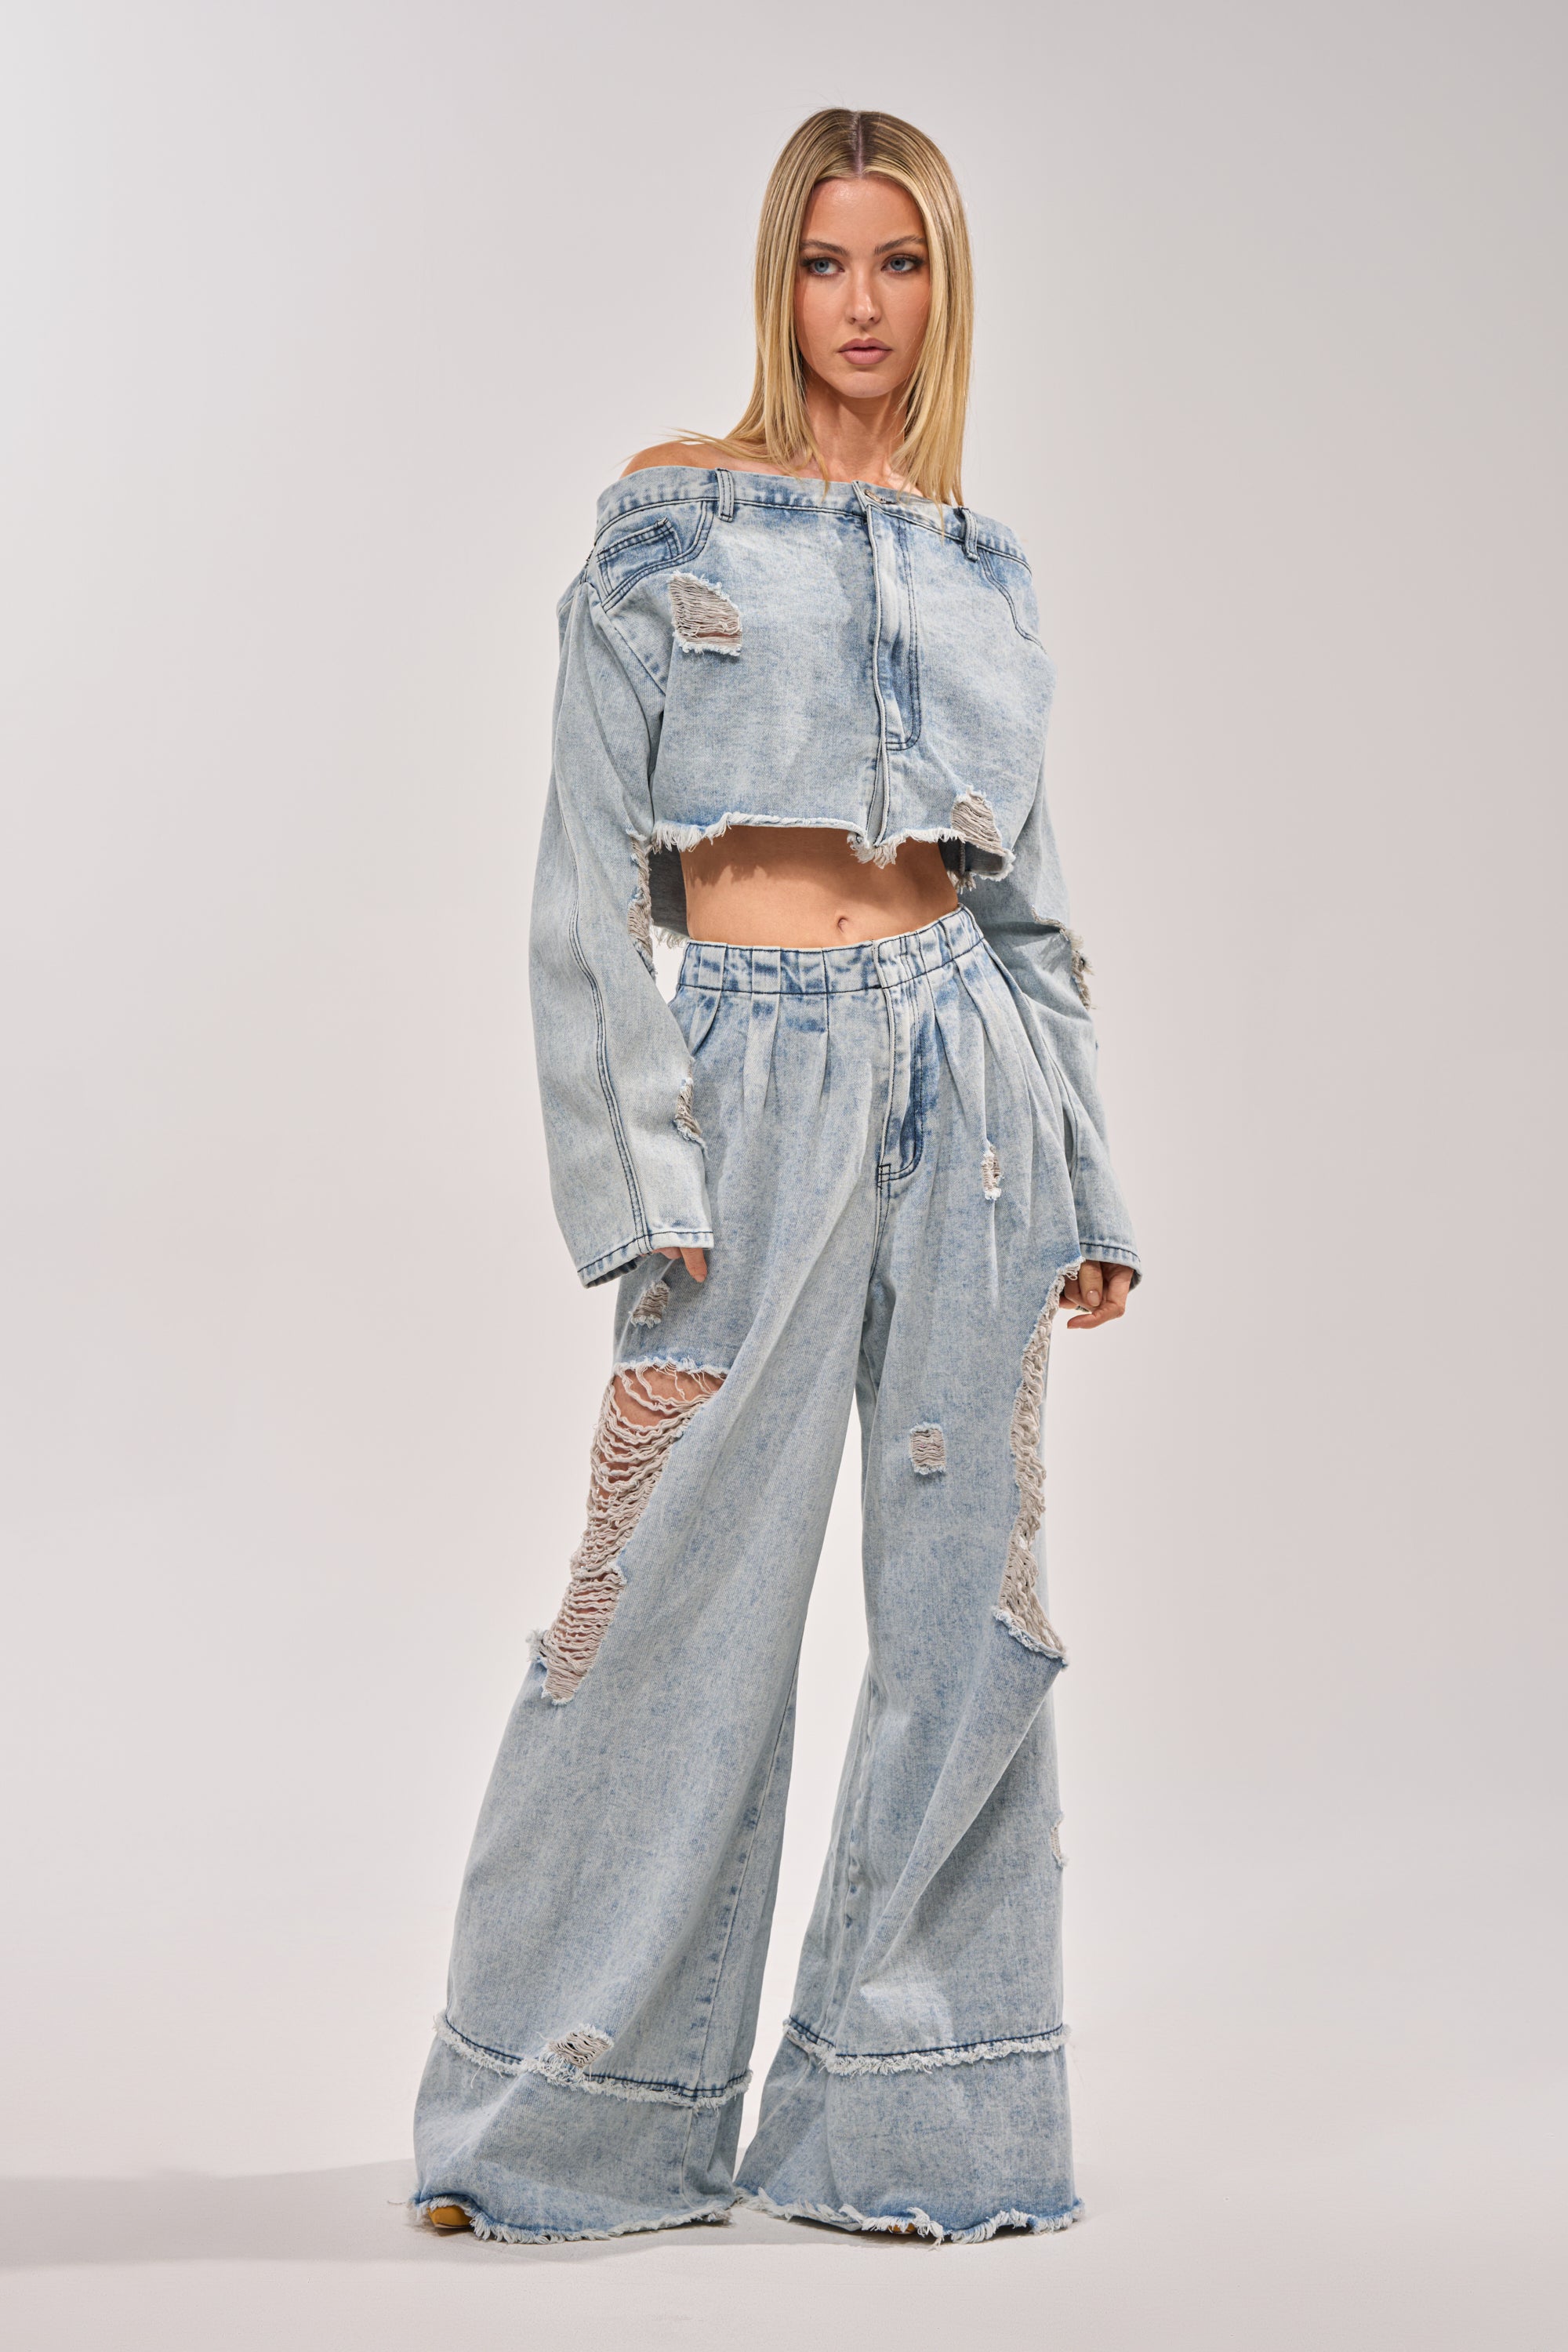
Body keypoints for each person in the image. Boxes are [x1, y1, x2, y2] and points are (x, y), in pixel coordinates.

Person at [412, 106, 1138, 2246]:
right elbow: (581, 886)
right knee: (656, 1614)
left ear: (943, 289)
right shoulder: (669, 519)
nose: (859, 309)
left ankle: (924, 2131)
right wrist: (637, 1174)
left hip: (968, 1089)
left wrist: (1090, 1179)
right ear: (778, 277)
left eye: (898, 266)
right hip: (747, 1083)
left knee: (969, 1620)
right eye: (827, 265)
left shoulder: (986, 571)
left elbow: (1034, 904)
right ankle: (557, 2127)